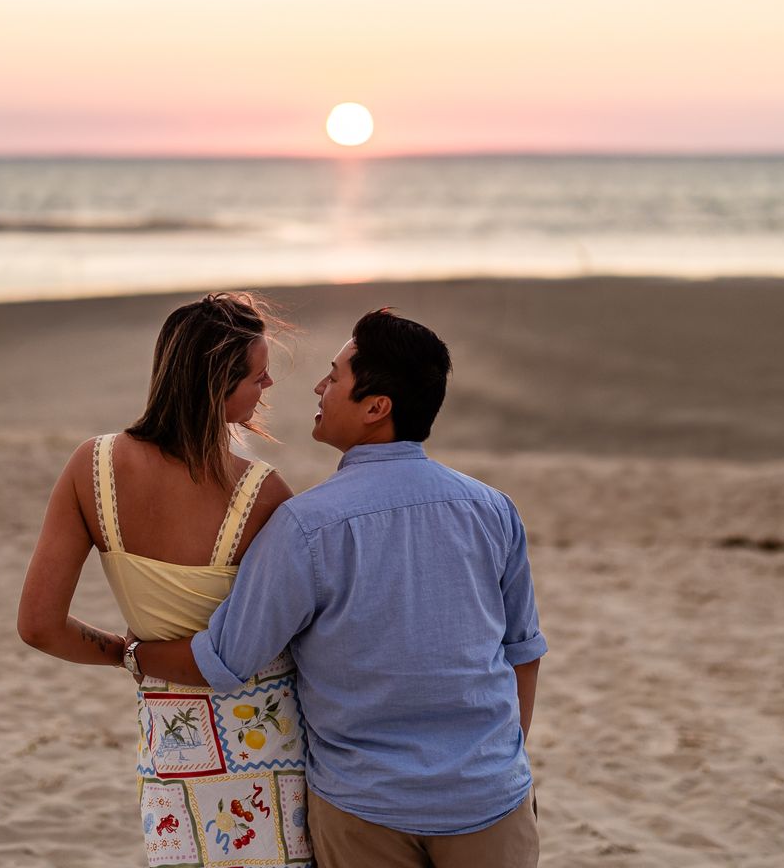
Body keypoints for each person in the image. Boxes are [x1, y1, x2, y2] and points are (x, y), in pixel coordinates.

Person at [131, 309, 546, 868]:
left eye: (336, 376)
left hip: (365, 812)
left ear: (377, 408)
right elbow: (523, 652)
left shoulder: (306, 526)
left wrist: (131, 653)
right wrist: (498, 760)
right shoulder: (493, 510)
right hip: (492, 800)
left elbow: (228, 658)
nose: (319, 387)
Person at [17, 292, 314, 866]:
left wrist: (129, 654)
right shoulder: (259, 492)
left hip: (174, 744)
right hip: (269, 743)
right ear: (214, 383)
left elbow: (38, 627)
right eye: (257, 374)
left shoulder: (92, 468)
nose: (270, 384)